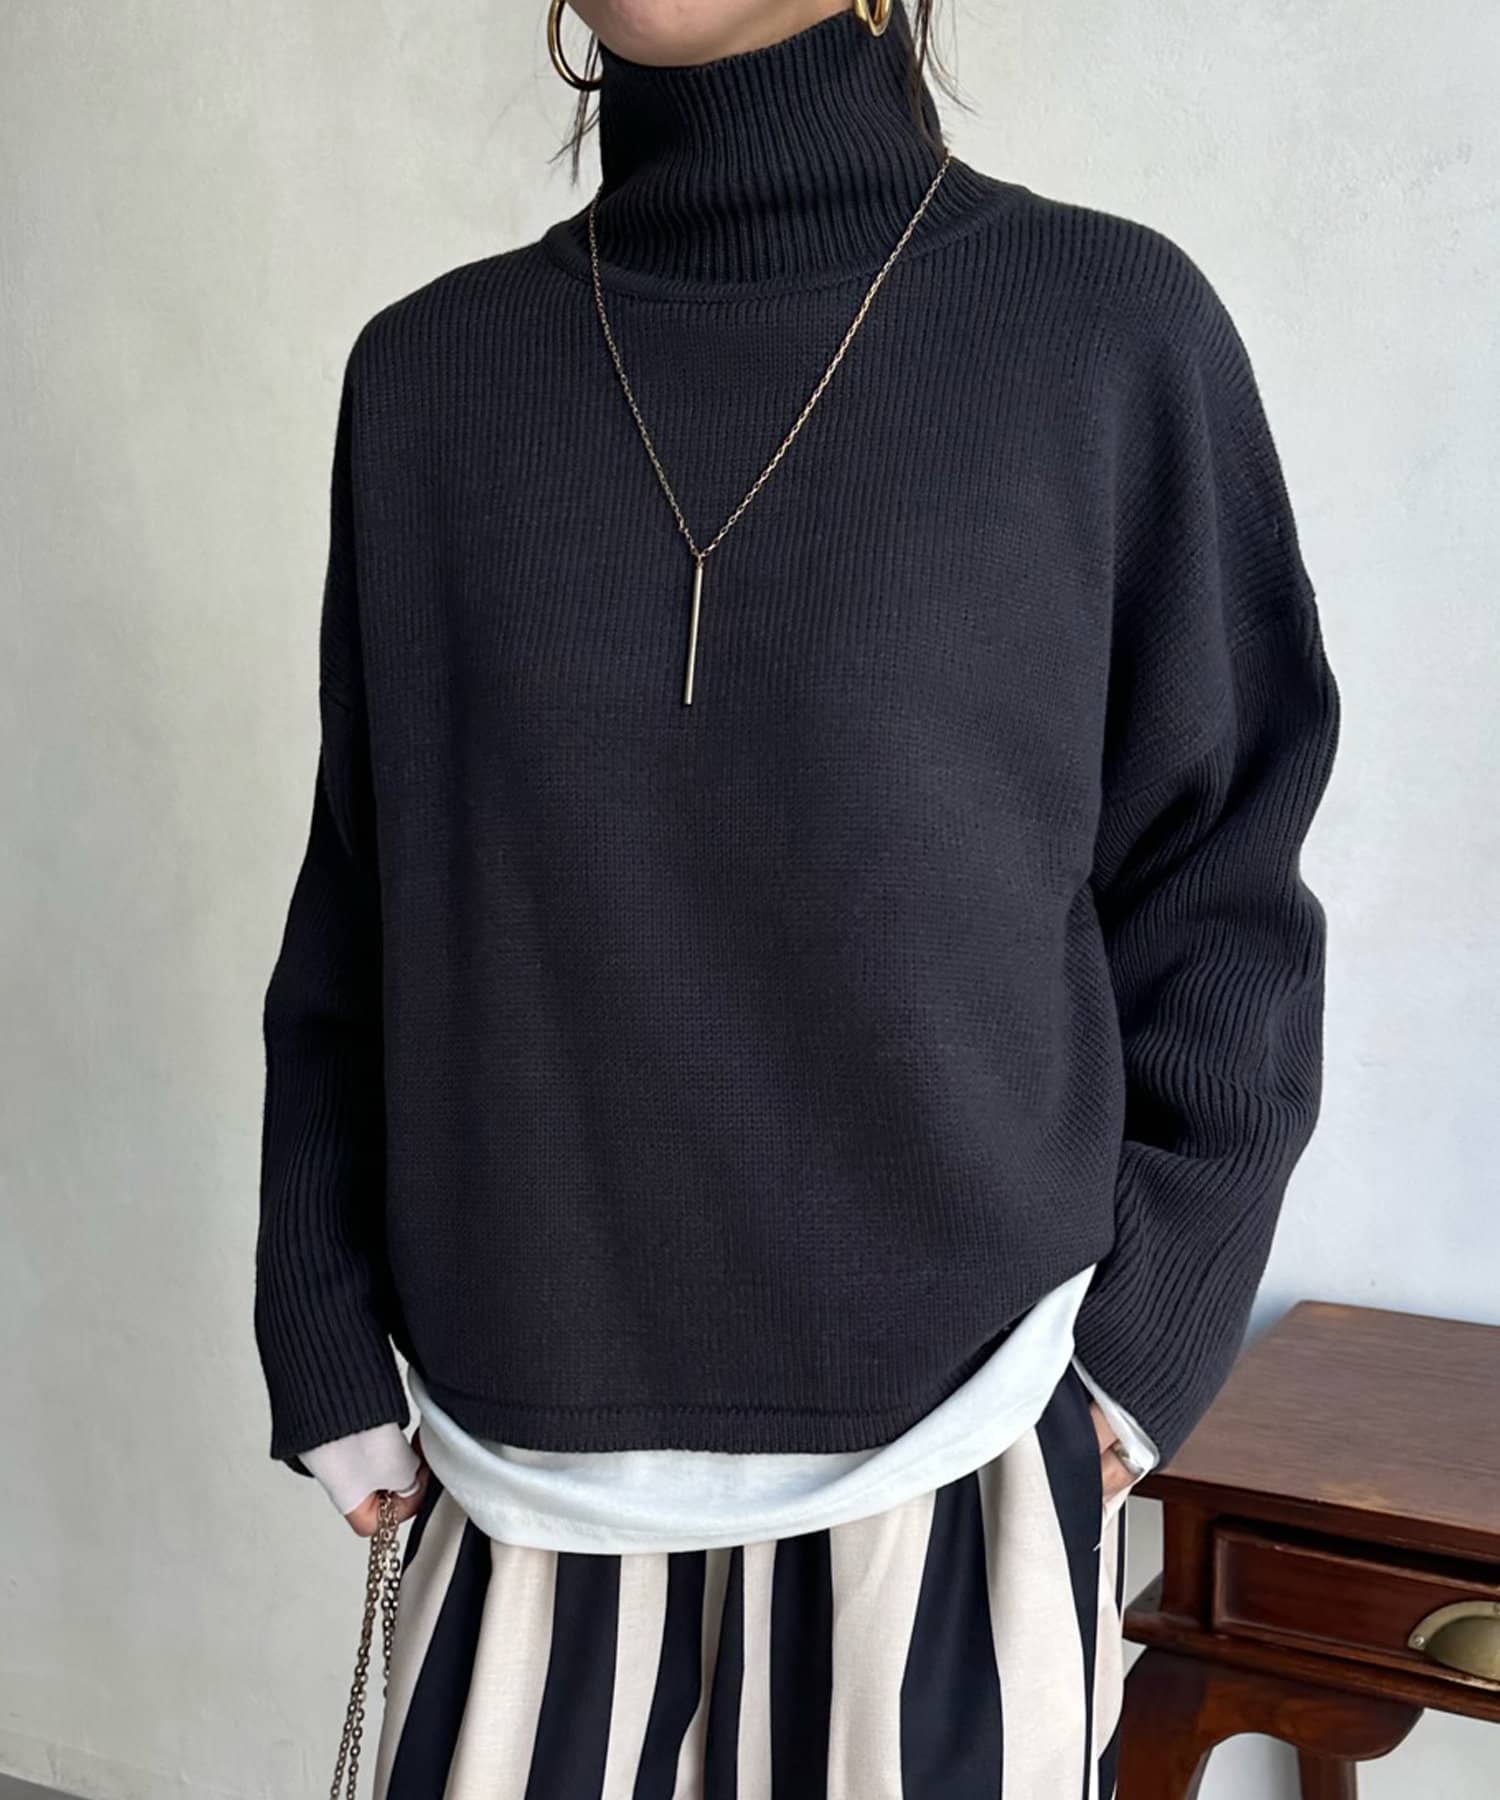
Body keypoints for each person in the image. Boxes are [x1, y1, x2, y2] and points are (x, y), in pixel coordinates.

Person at [252, 0, 1341, 1792]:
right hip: (509, 1457)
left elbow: (1221, 880)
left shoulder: (1104, 333)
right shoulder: (432, 378)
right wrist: (318, 1311)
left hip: (964, 1450)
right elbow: (369, 903)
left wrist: (1136, 1356)